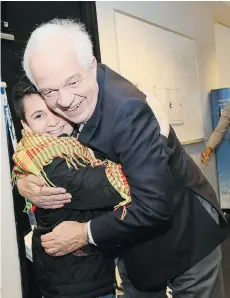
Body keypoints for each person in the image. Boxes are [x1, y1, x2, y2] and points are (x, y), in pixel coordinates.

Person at [18, 19, 228, 298]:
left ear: (91, 65)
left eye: (73, 81)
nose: (65, 101)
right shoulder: (63, 116)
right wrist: (23, 182)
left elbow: (152, 205)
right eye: (50, 92)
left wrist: (83, 233)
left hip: (185, 234)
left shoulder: (128, 110)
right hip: (130, 244)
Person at [11, 76, 132, 298]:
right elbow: (108, 187)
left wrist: (19, 184)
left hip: (84, 273)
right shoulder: (51, 162)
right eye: (39, 116)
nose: (53, 122)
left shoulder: (75, 143)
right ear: (26, 126)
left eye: (56, 111)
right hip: (78, 283)